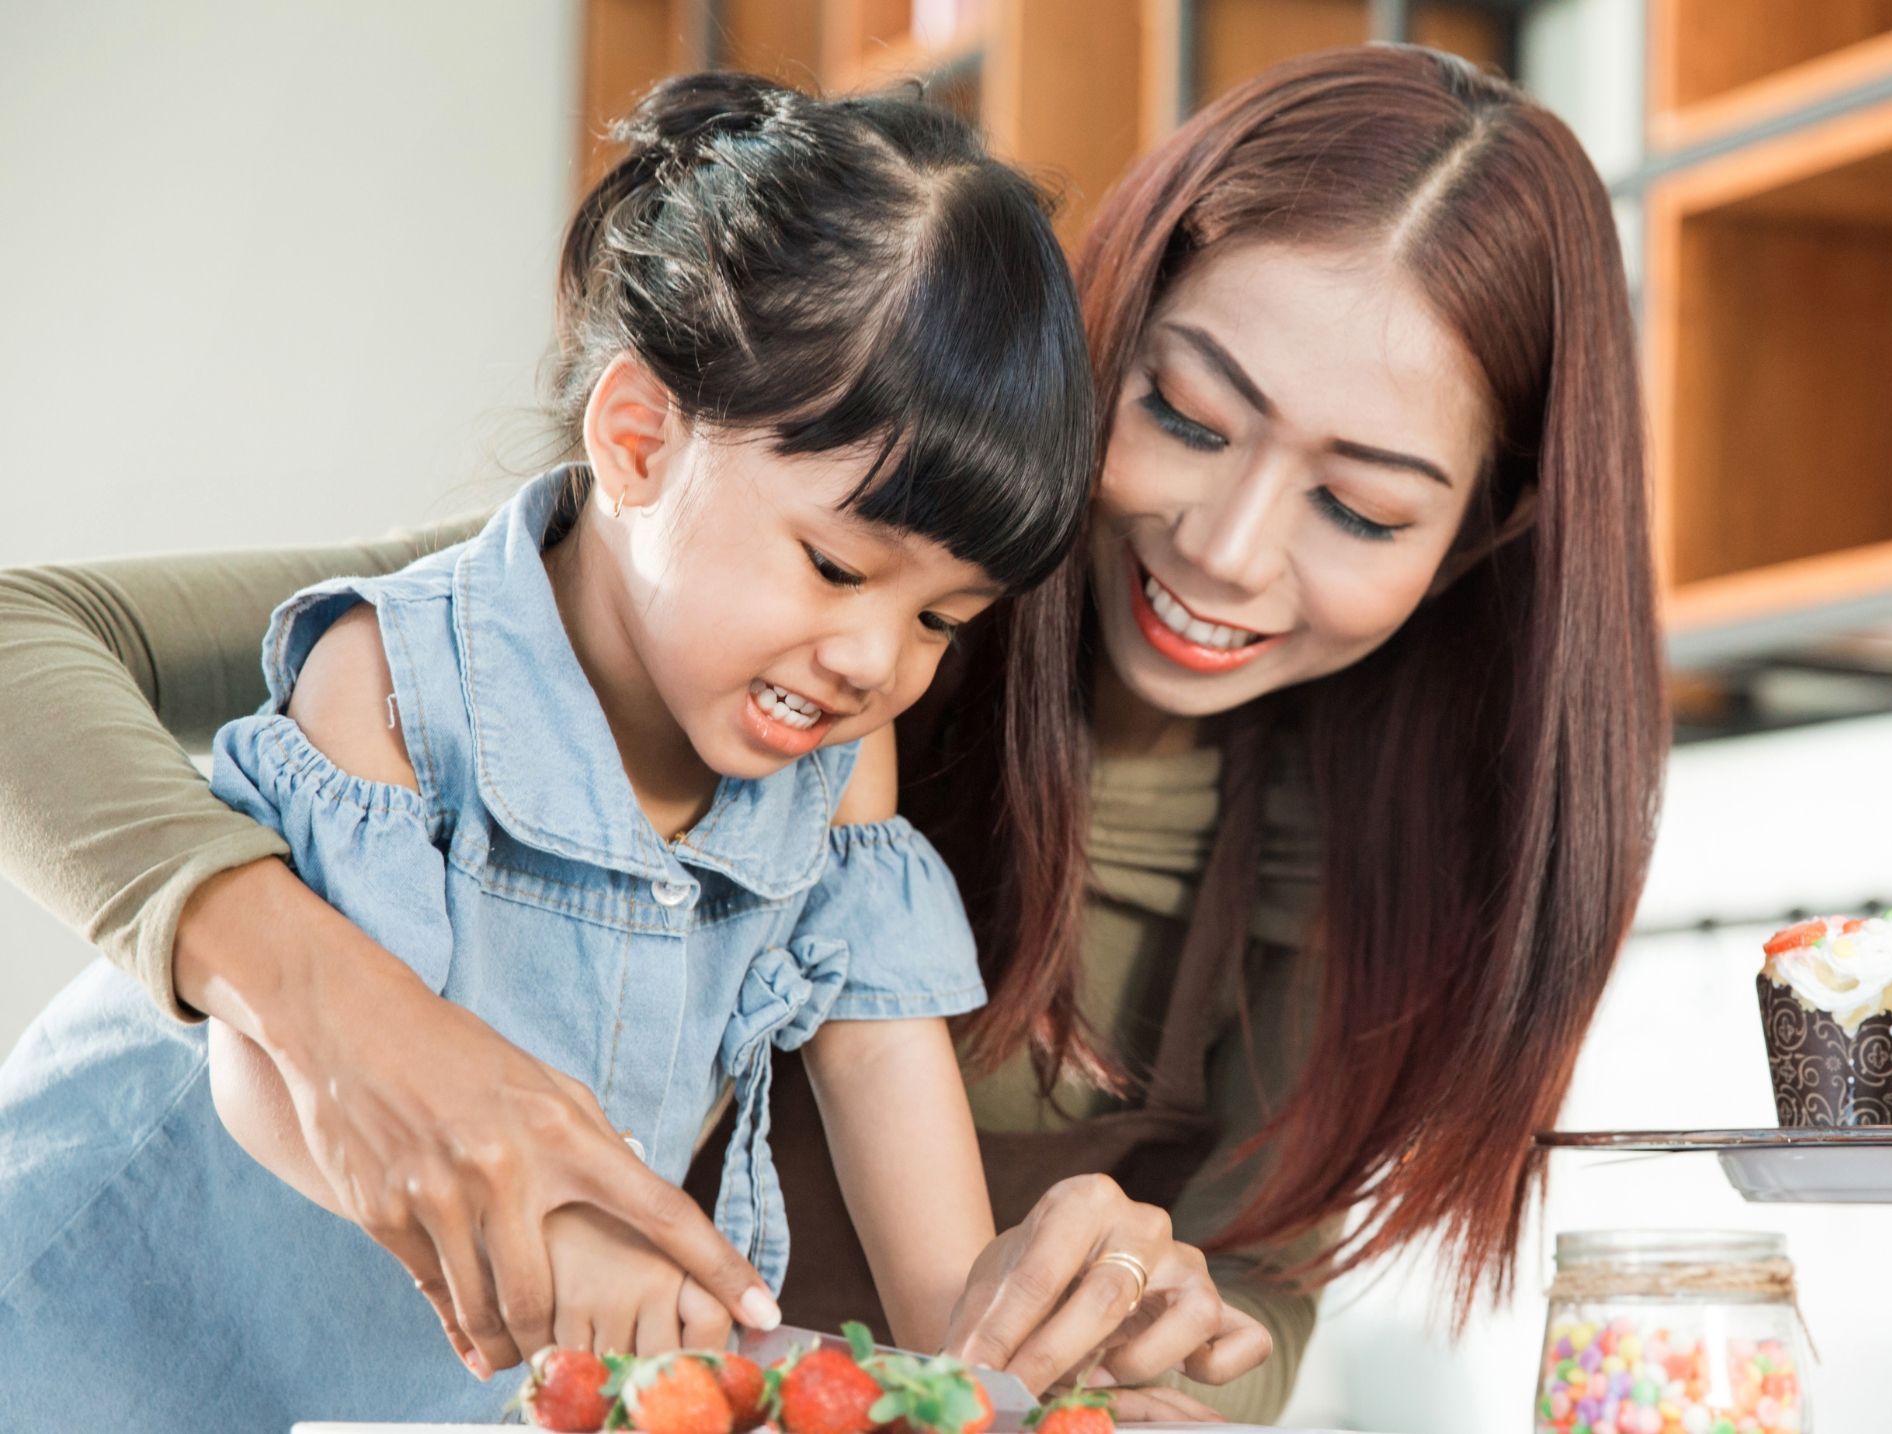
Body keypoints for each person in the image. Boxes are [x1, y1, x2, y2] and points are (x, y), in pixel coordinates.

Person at [0, 44, 1660, 1424]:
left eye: (1361, 507)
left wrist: (1089, 1373)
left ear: (1486, 535)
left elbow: (1227, 1268)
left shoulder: (895, 716)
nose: (1227, 548)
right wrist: (350, 1014)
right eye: (1181, 415)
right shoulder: (646, 596)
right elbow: (29, 641)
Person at [0, 71, 1095, 1430]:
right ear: (635, 440)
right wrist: (553, 1248)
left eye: (939, 616)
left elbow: (884, 1067)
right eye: (831, 565)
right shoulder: (398, 674)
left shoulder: (833, 765)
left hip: (395, 1387)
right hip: (86, 1335)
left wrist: (985, 1378)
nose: (876, 661)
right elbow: (277, 1074)